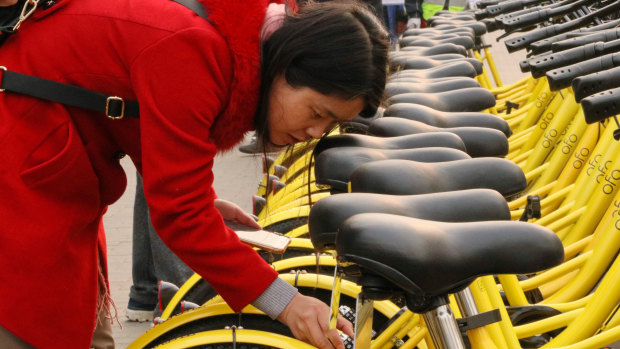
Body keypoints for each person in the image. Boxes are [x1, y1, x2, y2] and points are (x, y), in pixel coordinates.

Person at [0, 0, 388, 348]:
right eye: (318, 113)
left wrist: (204, 201)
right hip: (19, 174)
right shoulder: (194, 47)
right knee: (26, 324)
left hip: (49, 172)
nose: (314, 133)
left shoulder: (221, 42)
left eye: (330, 125)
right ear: (286, 65)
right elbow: (181, 215)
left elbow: (134, 109)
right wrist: (286, 303)